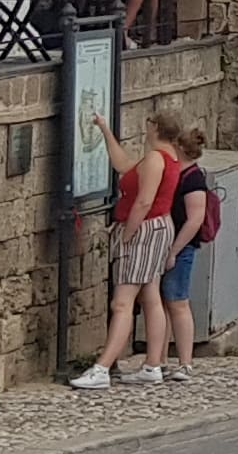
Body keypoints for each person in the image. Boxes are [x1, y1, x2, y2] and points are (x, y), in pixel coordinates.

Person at [70, 116, 181, 388]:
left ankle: (102, 367)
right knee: (151, 295)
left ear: (155, 128)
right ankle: (153, 364)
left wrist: (127, 232)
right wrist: (106, 130)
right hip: (158, 228)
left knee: (122, 302)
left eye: (149, 125)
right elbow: (123, 164)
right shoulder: (166, 157)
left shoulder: (156, 158)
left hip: (145, 229)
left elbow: (144, 201)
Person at [151, 113, 215, 382]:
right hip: (169, 244)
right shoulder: (177, 174)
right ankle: (162, 358)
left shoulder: (193, 179)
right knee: (164, 303)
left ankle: (185, 362)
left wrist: (174, 251)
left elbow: (195, 218)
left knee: (177, 302)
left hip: (181, 247)